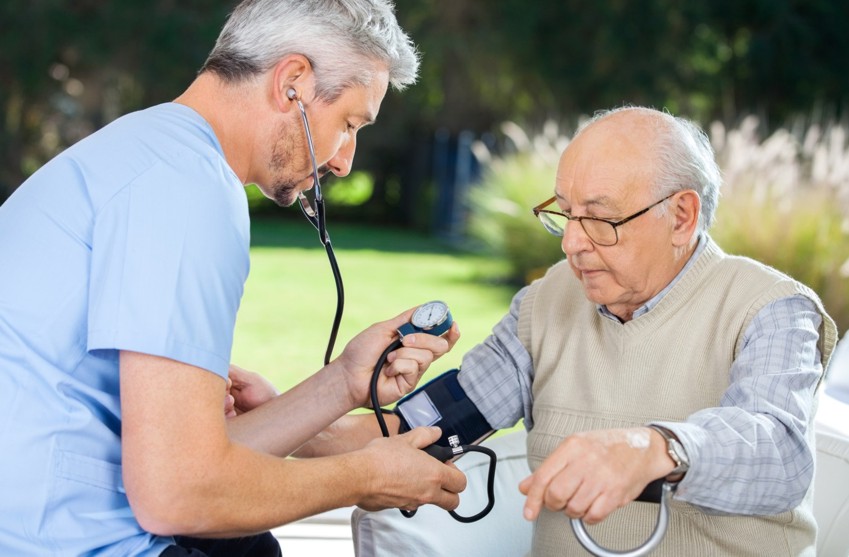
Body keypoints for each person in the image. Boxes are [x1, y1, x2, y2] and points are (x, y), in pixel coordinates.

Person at [0, 1, 467, 556]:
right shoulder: (189, 191)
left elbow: (189, 463)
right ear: (292, 82)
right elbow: (179, 495)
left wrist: (345, 380)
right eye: (348, 124)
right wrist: (363, 477)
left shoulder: (148, 153)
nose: (344, 161)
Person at [312, 106, 839, 556]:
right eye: (566, 215)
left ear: (681, 216)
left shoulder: (771, 307)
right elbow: (433, 425)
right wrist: (292, 430)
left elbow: (780, 454)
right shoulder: (547, 302)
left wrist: (655, 449)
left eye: (600, 220)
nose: (572, 245)